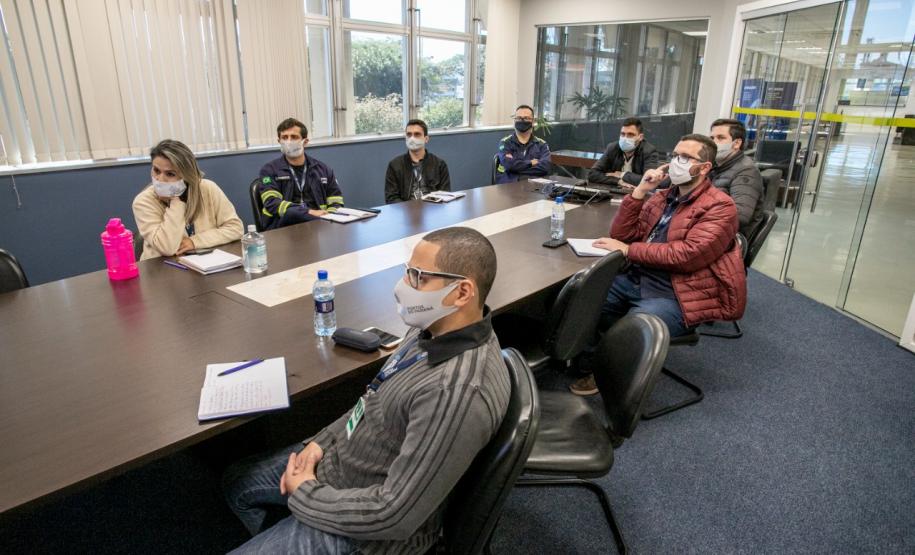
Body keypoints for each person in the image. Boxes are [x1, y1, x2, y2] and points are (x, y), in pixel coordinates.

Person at [223, 227, 510, 554]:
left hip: (372, 536)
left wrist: (305, 495)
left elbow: (395, 515)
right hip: (340, 466)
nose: (404, 286)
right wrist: (321, 442)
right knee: (236, 481)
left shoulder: (455, 391)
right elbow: (372, 398)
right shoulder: (432, 330)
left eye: (419, 277)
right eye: (407, 272)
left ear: (462, 293)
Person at [570, 134, 746, 396]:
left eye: (686, 158)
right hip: (639, 276)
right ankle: (590, 360)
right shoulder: (662, 196)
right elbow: (622, 235)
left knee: (632, 327)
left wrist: (630, 250)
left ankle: (610, 376)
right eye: (675, 155)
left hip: (679, 292)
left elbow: (687, 256)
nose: (677, 162)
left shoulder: (720, 206)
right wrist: (639, 192)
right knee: (585, 297)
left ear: (705, 167)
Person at [132, 139, 243, 260]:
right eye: (156, 170)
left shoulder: (208, 188)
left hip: (206, 262)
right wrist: (176, 202)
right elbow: (167, 247)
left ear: (187, 175)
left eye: (170, 174)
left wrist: (194, 242)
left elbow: (236, 228)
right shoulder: (143, 202)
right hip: (161, 269)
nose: (160, 179)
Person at [258, 118, 345, 229]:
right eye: (284, 137)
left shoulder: (323, 169)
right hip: (283, 227)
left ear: (305, 141)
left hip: (319, 227)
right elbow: (272, 203)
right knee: (291, 214)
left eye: (294, 137)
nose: (288, 141)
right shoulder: (269, 170)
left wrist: (330, 217)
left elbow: (336, 201)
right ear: (279, 141)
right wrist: (309, 212)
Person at [709, 118, 765, 238]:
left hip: (731, 238)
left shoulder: (746, 171)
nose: (714, 143)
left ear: (736, 144)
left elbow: (740, 216)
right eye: (712, 138)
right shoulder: (715, 166)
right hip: (710, 229)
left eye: (721, 138)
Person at [385, 119, 451, 203]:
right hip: (405, 212)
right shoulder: (395, 165)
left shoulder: (439, 164)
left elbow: (445, 195)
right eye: (409, 134)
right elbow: (391, 198)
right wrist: (409, 210)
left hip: (433, 210)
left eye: (417, 134)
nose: (412, 138)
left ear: (426, 139)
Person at [587, 117, 661, 188]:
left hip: (637, 194)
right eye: (622, 134)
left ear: (640, 137)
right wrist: (618, 181)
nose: (625, 138)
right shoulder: (613, 148)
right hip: (615, 190)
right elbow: (592, 174)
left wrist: (622, 174)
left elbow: (649, 180)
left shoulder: (649, 151)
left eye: (630, 134)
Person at [495, 104, 551, 183]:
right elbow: (509, 166)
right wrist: (531, 162)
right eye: (519, 118)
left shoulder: (541, 144)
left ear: (533, 121)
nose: (522, 121)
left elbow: (545, 167)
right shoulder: (505, 143)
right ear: (514, 120)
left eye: (526, 118)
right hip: (509, 187)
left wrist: (517, 168)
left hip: (534, 187)